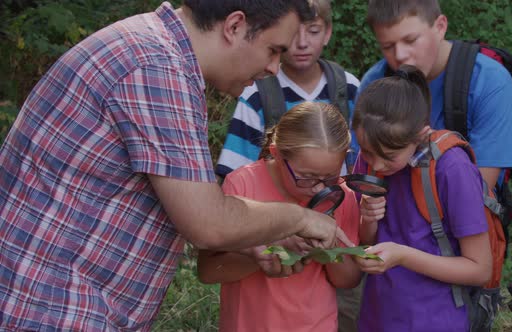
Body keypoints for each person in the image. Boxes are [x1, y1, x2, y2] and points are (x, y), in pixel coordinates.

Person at [0, 1, 354, 330]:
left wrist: (254, 242)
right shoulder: (158, 69)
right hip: (51, 308)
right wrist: (301, 218)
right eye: (273, 49)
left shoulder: (154, 52)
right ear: (234, 26)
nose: (274, 68)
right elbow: (208, 222)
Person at [198, 101, 362, 332]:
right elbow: (208, 271)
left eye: (330, 177)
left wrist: (329, 244)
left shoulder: (340, 196)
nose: (318, 188)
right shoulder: (242, 184)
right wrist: (262, 255)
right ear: (276, 153)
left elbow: (348, 280)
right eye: (306, 177)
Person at [351, 66, 492, 332]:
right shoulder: (368, 159)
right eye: (367, 152)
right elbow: (366, 241)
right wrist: (367, 218)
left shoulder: (452, 168)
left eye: (389, 156)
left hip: (436, 319)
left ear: (421, 136)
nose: (378, 165)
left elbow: (479, 269)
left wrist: (403, 256)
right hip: (377, 316)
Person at [359, 0, 512, 190]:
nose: (399, 55)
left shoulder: (489, 81)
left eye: (410, 40)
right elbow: (361, 170)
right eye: (387, 46)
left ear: (440, 26)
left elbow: (480, 193)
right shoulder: (375, 83)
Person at [215, 0, 360, 179]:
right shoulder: (256, 94)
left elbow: (364, 160)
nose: (302, 43)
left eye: (313, 31)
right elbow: (233, 175)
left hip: (339, 203)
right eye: (292, 33)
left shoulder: (349, 88)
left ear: (327, 33)